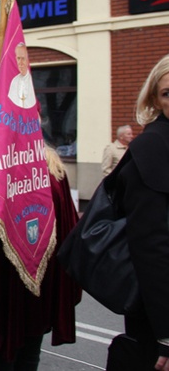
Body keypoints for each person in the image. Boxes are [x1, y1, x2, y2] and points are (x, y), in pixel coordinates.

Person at [0, 146, 82, 370]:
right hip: (10, 272)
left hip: (42, 271)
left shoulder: (53, 168)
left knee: (29, 347)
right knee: (8, 349)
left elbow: (66, 221)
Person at [105, 54, 169, 370]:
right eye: (167, 93)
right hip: (158, 317)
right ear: (155, 100)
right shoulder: (152, 148)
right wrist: (166, 335)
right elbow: (151, 249)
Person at [7, 43, 36, 109]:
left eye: (23, 58)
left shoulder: (33, 79)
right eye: (18, 58)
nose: (20, 62)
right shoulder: (14, 81)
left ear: (27, 60)